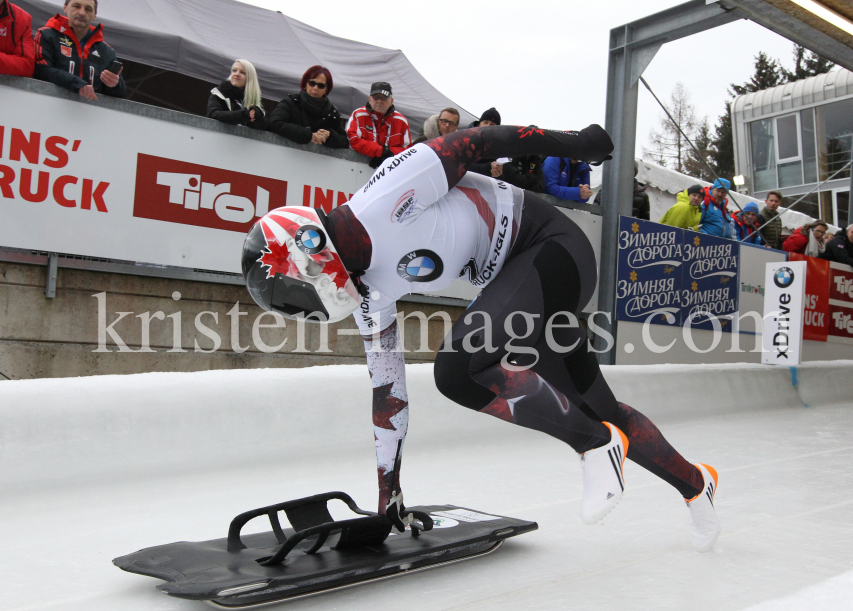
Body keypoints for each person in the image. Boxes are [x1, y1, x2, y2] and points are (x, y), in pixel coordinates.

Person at [240, 123, 721, 553]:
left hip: (551, 247)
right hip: (529, 283)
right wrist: (390, 492)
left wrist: (577, 144)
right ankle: (697, 485)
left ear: (309, 251)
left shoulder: (386, 194)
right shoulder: (370, 294)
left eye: (299, 293)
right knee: (600, 408)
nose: (314, 307)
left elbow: (483, 142)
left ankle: (595, 447)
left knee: (457, 369)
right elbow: (388, 396)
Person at [34, 0, 125, 101]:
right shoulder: (46, 35)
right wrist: (76, 83)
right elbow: (40, 69)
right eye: (76, 6)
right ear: (65, 8)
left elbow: (119, 95)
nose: (82, 13)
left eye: (88, 9)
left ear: (94, 15)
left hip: (89, 113)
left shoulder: (106, 51)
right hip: (46, 105)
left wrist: (115, 85)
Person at [266, 65, 347, 148]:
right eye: (312, 83)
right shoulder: (291, 102)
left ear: (326, 89)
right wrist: (309, 135)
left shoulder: (332, 113)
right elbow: (273, 123)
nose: (315, 88)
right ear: (305, 84)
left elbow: (345, 142)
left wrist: (329, 136)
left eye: (321, 85)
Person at [347, 82, 412, 168]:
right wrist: (380, 151)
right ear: (370, 99)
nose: (379, 101)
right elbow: (353, 140)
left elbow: (408, 150)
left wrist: (390, 154)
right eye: (376, 97)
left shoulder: (401, 121)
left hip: (390, 172)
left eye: (384, 98)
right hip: (357, 169)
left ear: (391, 101)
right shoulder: (358, 115)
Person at [206, 60, 264, 128]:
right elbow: (213, 114)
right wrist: (242, 114)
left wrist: (258, 117)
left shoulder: (252, 101)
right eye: (234, 70)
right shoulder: (219, 94)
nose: (236, 74)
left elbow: (264, 127)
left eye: (242, 72)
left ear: (250, 78)